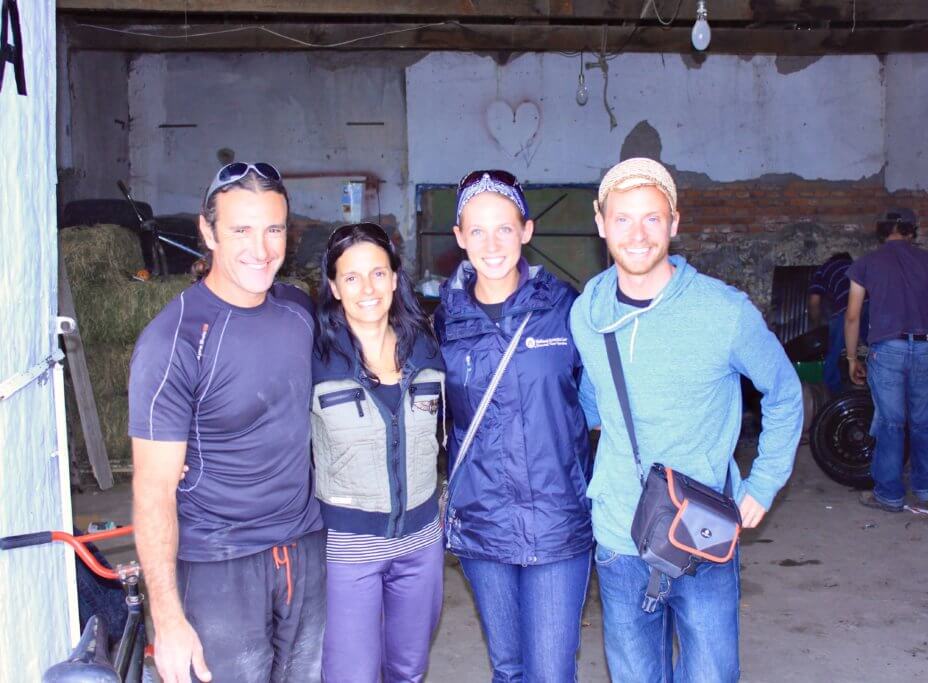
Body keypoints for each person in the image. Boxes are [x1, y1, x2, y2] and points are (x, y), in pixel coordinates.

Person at [569, 158, 803, 682]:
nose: (637, 234)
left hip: (702, 533)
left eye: (652, 218)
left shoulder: (724, 312)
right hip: (619, 538)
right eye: (622, 218)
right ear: (601, 222)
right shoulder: (588, 310)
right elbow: (591, 400)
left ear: (674, 222)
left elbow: (785, 392)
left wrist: (763, 485)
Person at [128, 162, 325, 683]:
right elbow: (152, 489)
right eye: (241, 229)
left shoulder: (297, 311)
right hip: (218, 561)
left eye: (274, 229)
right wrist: (167, 619)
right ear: (207, 231)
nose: (261, 250)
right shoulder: (172, 341)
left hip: (304, 548)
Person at [435, 170, 593, 682]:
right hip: (483, 524)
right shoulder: (442, 323)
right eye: (476, 231)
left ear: (526, 230)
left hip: (557, 522)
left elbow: (610, 396)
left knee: (550, 672)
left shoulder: (567, 310)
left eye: (504, 228)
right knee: (508, 668)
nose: (491, 243)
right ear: (459, 238)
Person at [311, 222, 445, 682]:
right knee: (352, 674)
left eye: (377, 273)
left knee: (408, 670)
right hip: (350, 546)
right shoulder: (314, 357)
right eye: (351, 277)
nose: (367, 288)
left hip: (422, 539)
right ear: (333, 286)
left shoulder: (426, 347)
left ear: (394, 277)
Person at [844, 207, 928, 512]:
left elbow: (852, 316)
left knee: (891, 423)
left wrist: (852, 358)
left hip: (887, 349)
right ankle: (927, 490)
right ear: (911, 231)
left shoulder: (866, 264)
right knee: (922, 422)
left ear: (881, 231)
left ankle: (890, 495)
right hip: (924, 348)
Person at [807, 251, 854, 394]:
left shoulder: (824, 269)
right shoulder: (856, 266)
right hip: (870, 307)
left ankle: (832, 396)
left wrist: (815, 328)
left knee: (833, 353)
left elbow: (814, 301)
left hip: (846, 309)